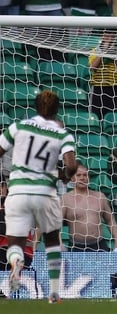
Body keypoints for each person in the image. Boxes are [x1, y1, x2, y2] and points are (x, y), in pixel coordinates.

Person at [0, 90, 77, 304]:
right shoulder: (62, 134)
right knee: (51, 239)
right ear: (57, 110)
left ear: (35, 107)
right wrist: (63, 177)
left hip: (17, 192)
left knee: (15, 241)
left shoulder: (18, 127)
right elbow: (71, 165)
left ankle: (16, 261)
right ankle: (54, 293)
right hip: (45, 192)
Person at [61, 163, 117, 252]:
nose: (82, 178)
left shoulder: (100, 197)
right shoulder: (65, 199)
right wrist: (59, 243)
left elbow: (110, 220)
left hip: (99, 245)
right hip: (76, 247)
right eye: (78, 175)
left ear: (89, 177)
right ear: (72, 178)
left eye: (85, 175)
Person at [88, 32, 117, 120]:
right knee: (97, 115)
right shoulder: (95, 50)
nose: (109, 39)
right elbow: (92, 67)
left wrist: (115, 57)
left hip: (114, 88)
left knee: (113, 116)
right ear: (102, 36)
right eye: (107, 36)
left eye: (112, 36)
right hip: (98, 88)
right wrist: (103, 53)